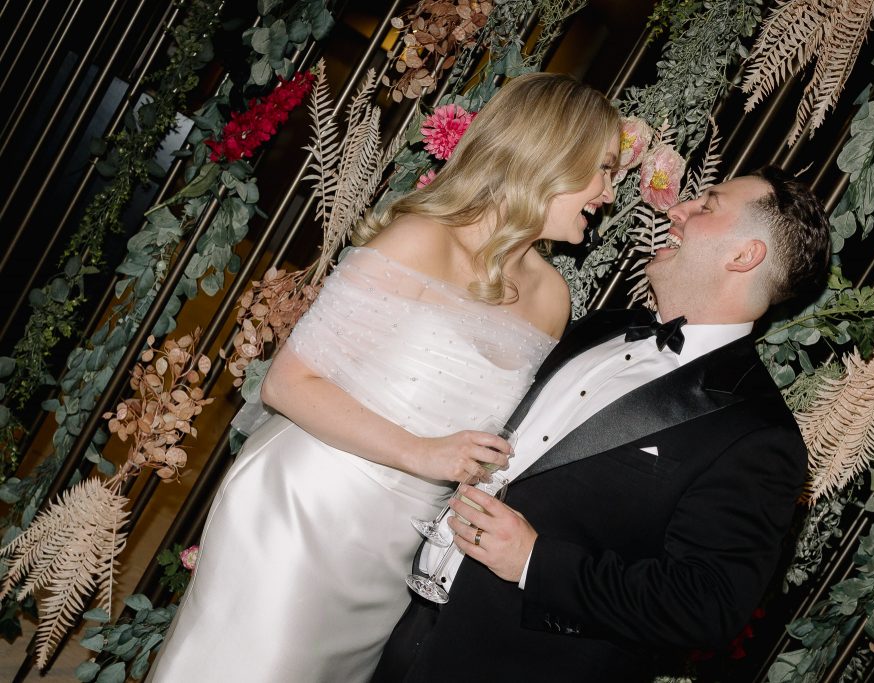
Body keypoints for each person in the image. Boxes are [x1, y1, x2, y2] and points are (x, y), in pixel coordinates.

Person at [148, 72, 621, 683]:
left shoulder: (552, 297)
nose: (609, 193)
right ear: (552, 155)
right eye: (603, 169)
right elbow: (287, 385)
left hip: (398, 546)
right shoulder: (420, 240)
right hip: (306, 509)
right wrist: (422, 452)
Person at [373, 166, 832, 682]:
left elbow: (706, 605)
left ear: (744, 256)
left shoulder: (757, 433)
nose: (676, 210)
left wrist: (533, 562)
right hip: (412, 629)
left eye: (707, 206)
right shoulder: (603, 326)